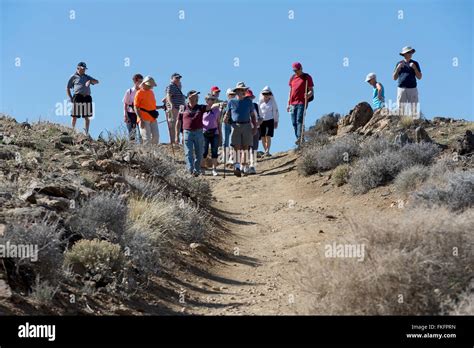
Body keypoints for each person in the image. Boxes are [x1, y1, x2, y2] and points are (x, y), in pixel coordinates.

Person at [223, 82, 258, 177]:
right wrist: (226, 118)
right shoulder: (231, 102)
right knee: (236, 147)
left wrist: (254, 127)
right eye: (241, 90)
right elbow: (227, 114)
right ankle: (237, 166)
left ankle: (243, 166)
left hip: (247, 125)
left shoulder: (249, 102)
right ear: (237, 91)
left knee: (246, 147)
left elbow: (252, 116)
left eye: (244, 90)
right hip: (235, 126)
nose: (243, 92)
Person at [176, 90, 211, 176]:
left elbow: (210, 107)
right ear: (189, 98)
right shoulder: (183, 108)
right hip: (187, 132)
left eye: (196, 96)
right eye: (193, 96)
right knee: (188, 152)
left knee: (199, 153)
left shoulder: (201, 107)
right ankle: (190, 170)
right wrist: (177, 135)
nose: (196, 97)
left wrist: (213, 99)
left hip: (199, 132)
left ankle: (197, 170)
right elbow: (178, 121)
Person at [66, 62, 99, 135]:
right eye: (82, 69)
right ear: (78, 68)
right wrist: (71, 98)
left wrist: (90, 81)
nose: (84, 70)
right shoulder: (73, 77)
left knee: (87, 117)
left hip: (87, 97)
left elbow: (97, 82)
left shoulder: (87, 77)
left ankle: (86, 132)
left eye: (84, 69)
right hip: (78, 96)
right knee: (75, 116)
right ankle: (72, 131)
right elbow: (68, 88)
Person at [287, 62, 314, 143]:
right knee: (293, 122)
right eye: (294, 70)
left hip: (301, 103)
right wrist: (288, 103)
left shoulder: (306, 77)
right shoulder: (292, 78)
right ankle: (299, 139)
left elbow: (311, 91)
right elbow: (290, 91)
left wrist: (308, 94)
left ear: (301, 68)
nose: (296, 72)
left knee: (299, 120)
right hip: (292, 104)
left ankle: (300, 138)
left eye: (297, 70)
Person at [393, 46, 422, 117]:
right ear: (404, 54)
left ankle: (415, 122)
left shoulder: (415, 63)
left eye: (411, 52)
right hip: (401, 88)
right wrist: (398, 68)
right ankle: (402, 122)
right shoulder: (399, 63)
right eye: (408, 52)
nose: (410, 54)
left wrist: (414, 68)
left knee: (414, 108)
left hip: (412, 88)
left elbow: (419, 77)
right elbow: (394, 77)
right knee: (401, 108)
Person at [134, 76, 160, 145]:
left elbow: (152, 106)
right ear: (144, 84)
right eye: (149, 85)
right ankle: (147, 154)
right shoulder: (139, 93)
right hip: (143, 118)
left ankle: (154, 153)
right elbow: (136, 107)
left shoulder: (151, 92)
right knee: (146, 139)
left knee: (156, 137)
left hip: (153, 118)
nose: (150, 87)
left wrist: (161, 107)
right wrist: (140, 119)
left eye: (151, 86)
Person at [202, 94, 221, 176]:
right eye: (211, 99)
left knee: (214, 151)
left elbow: (218, 122)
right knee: (204, 151)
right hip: (205, 132)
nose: (212, 101)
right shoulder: (203, 109)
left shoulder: (217, 110)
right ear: (206, 100)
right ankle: (202, 168)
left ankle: (214, 169)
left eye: (213, 99)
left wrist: (220, 134)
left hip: (215, 132)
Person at [245, 89, 263, 175]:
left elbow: (261, 117)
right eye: (247, 97)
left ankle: (252, 166)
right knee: (247, 149)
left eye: (250, 97)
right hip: (246, 130)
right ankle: (247, 166)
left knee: (254, 149)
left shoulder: (256, 105)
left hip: (256, 129)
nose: (249, 99)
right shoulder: (243, 107)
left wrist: (258, 123)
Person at [258, 86, 279, 157]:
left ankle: (267, 150)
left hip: (270, 120)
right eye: (264, 94)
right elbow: (257, 112)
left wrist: (276, 121)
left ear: (270, 94)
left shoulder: (272, 102)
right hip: (262, 121)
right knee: (263, 136)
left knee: (268, 135)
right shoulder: (260, 102)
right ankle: (265, 150)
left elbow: (276, 111)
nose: (266, 95)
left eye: (267, 94)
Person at [122, 74, 144, 142]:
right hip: (130, 114)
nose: (141, 83)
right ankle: (132, 149)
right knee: (132, 132)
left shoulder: (143, 92)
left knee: (142, 132)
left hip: (140, 113)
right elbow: (125, 104)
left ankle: (142, 148)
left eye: (142, 81)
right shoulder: (129, 91)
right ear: (135, 81)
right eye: (140, 81)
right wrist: (125, 115)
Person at [166, 73, 186, 143]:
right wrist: (172, 106)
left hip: (179, 109)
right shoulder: (171, 86)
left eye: (179, 78)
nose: (178, 79)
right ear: (172, 79)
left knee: (179, 126)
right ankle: (174, 143)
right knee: (174, 126)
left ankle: (176, 142)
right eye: (176, 78)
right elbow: (168, 96)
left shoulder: (176, 87)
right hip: (175, 109)